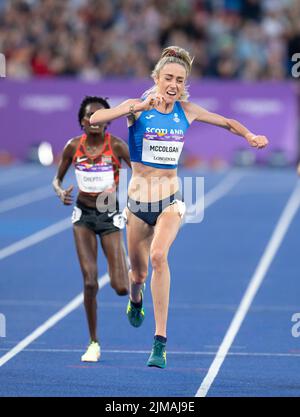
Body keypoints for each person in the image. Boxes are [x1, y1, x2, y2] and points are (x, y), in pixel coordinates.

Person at [90, 46, 269, 369]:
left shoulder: (186, 111)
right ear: (157, 78)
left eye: (179, 80)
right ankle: (135, 299)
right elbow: (95, 118)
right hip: (136, 205)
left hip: (170, 201)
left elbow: (227, 122)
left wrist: (250, 135)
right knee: (138, 273)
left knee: (159, 256)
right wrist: (137, 106)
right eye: (168, 78)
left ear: (185, 83)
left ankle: (160, 342)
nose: (173, 84)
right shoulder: (136, 108)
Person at [53, 96, 131, 362]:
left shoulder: (118, 147)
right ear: (82, 122)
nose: (94, 121)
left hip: (110, 217)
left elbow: (142, 175)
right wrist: (60, 191)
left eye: (100, 116)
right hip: (83, 217)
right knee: (89, 281)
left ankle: (134, 278)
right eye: (89, 117)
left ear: (107, 121)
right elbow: (57, 179)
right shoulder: (73, 147)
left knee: (121, 288)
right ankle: (93, 342)